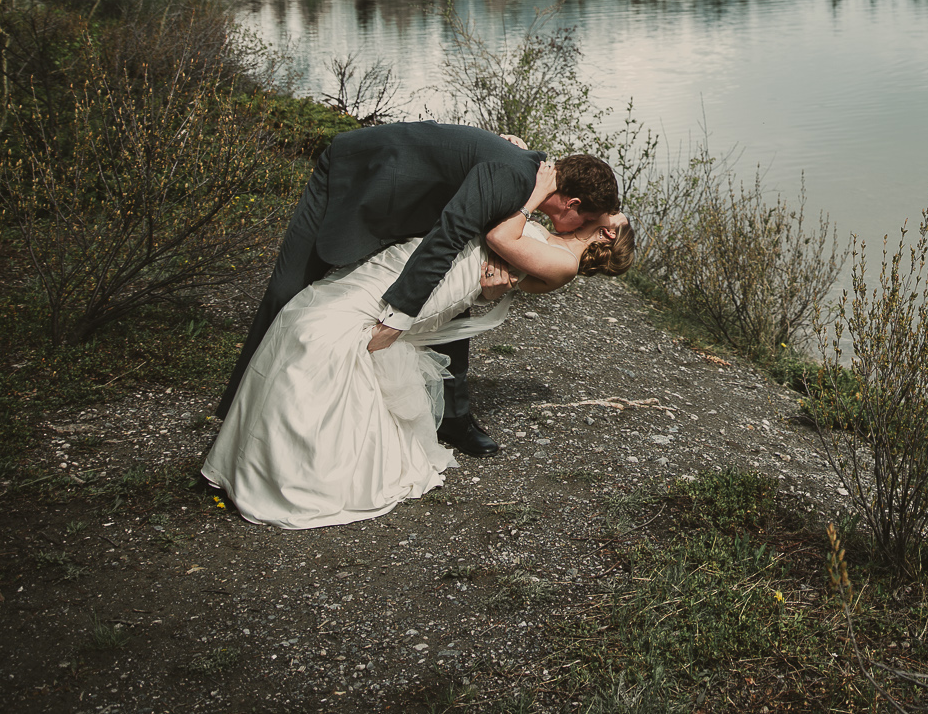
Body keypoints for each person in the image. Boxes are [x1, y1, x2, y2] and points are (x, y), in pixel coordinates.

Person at [202, 183, 631, 529]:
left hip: (441, 284)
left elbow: (502, 238)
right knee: (311, 318)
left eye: (615, 211)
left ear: (609, 232)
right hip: (436, 262)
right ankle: (273, 456)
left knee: (323, 334)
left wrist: (536, 190)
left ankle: (304, 472)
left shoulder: (564, 264)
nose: (611, 206)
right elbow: (500, 261)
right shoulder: (556, 239)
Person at [217, 122, 621, 457]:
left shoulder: (527, 174)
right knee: (287, 290)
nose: (583, 230)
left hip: (417, 206)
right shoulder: (516, 181)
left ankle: (453, 418)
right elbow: (447, 238)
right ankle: (237, 412)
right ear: (571, 203)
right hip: (360, 177)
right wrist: (398, 315)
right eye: (588, 220)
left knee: (453, 304)